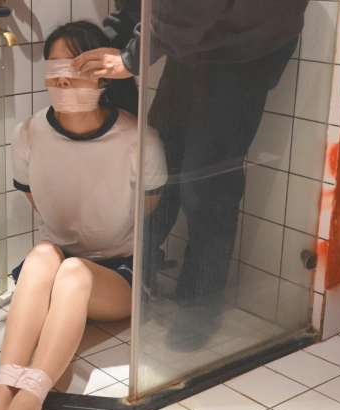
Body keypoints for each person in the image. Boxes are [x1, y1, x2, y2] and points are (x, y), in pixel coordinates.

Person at [0, 21, 167, 410]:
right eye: (55, 69)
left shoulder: (138, 139)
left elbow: (147, 211)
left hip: (118, 274)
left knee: (73, 270)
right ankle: (1, 395)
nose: (64, 80)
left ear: (104, 74)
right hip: (54, 266)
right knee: (42, 254)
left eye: (77, 67)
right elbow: (37, 200)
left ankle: (28, 405)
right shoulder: (28, 134)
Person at [71, 0, 308, 340]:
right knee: (160, 158)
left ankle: (201, 299)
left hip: (246, 43)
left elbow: (189, 6)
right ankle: (137, 271)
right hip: (198, 38)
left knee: (208, 183)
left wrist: (130, 58)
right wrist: (106, 39)